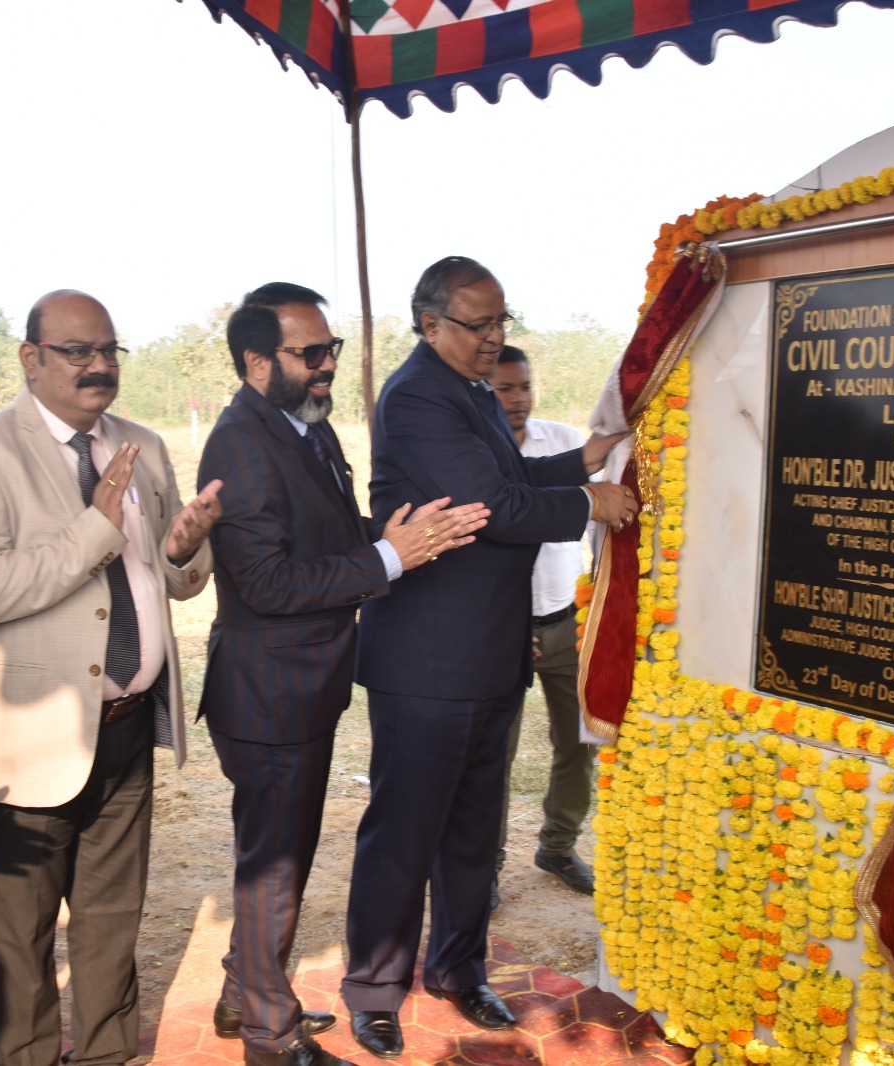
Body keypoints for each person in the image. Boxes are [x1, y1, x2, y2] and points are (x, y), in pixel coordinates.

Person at [341, 257, 641, 1059]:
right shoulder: (416, 397)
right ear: (430, 323)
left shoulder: (471, 391)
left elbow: (509, 474)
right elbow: (492, 506)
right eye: (479, 325)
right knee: (405, 832)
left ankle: (458, 968)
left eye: (502, 322)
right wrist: (589, 501)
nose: (494, 339)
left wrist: (584, 456)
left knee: (474, 830)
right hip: (428, 661)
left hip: (491, 652)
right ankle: (374, 990)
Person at [196, 283, 489, 1066]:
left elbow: (321, 537)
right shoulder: (239, 443)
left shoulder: (306, 427)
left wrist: (388, 535)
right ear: (258, 363)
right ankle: (269, 1036)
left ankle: (243, 996)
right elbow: (268, 583)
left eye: (332, 348)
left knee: (280, 859)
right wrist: (390, 556)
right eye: (311, 353)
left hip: (307, 687)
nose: (327, 364)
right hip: (266, 694)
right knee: (272, 872)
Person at [0, 289, 222, 1066]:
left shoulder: (142, 444)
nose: (98, 366)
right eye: (76, 351)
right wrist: (95, 526)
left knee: (112, 919)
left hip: (126, 725)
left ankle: (106, 1054)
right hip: (29, 737)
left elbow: (173, 579)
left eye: (108, 350)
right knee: (22, 934)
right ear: (31, 358)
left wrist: (184, 548)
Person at [490, 346, 597, 899]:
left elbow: (598, 522)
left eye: (525, 386)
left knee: (580, 741)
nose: (519, 398)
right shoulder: (475, 454)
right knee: (494, 756)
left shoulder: (564, 443)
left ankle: (558, 846)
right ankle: (485, 866)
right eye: (505, 388)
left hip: (568, 624)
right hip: (501, 633)